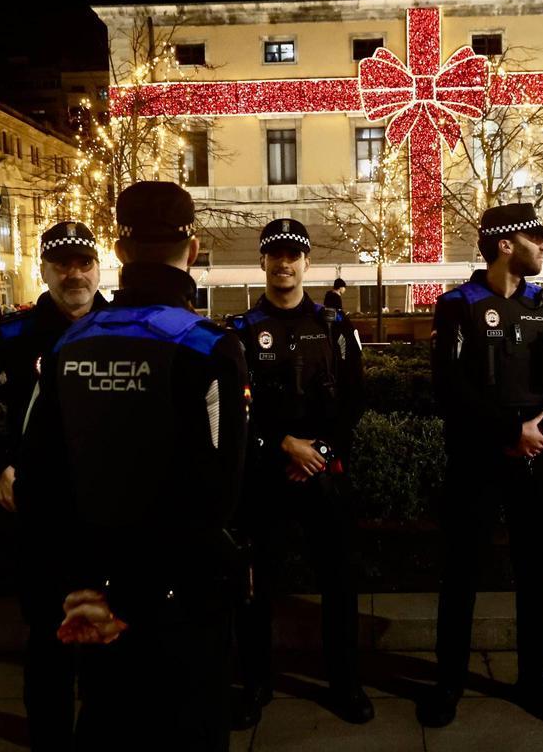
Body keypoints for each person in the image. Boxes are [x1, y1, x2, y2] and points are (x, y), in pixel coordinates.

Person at [16, 181, 248, 750]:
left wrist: (86, 588)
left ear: (119, 253)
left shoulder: (70, 346)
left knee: (107, 723)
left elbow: (39, 482)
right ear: (192, 251)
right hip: (183, 600)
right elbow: (217, 494)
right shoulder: (209, 347)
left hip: (95, 597)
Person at [418, 202, 543, 729]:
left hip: (537, 459)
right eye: (537, 238)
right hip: (476, 460)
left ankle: (535, 681)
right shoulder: (457, 306)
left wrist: (542, 432)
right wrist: (511, 431)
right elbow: (450, 388)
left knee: (536, 572)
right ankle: (448, 683)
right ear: (506, 244)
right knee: (462, 572)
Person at [0, 220, 107, 750]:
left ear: (99, 266)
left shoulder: (128, 329)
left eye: (84, 262)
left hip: (112, 512)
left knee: (112, 648)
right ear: (43, 270)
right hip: (42, 514)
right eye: (62, 263)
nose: (74, 274)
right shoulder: (14, 336)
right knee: (48, 644)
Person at [228, 219, 372, 728]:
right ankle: (256, 685)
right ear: (263, 262)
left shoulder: (335, 327)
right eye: (275, 255)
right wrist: (283, 447)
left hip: (323, 473)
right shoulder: (240, 332)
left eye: (293, 255)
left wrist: (318, 450)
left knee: (338, 583)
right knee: (254, 588)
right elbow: (235, 412)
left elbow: (354, 399)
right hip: (265, 478)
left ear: (307, 262)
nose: (284, 263)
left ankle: (344, 683)